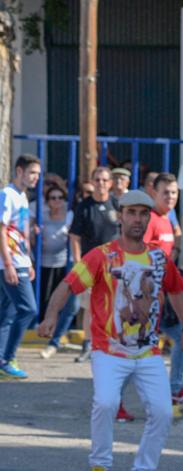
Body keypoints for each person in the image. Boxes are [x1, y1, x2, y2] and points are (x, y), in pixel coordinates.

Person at [38, 190, 183, 471]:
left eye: (142, 214)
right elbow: (68, 284)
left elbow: (176, 291)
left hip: (148, 350)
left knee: (163, 412)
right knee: (106, 403)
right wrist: (51, 316)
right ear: (120, 217)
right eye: (131, 213)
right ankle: (99, 466)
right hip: (109, 350)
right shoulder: (101, 255)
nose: (137, 219)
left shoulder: (158, 257)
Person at [144, 172, 183, 412]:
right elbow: (141, 253)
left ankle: (175, 390)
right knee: (140, 348)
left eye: (174, 192)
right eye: (165, 192)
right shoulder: (150, 218)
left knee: (181, 336)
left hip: (165, 292)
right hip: (150, 296)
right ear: (154, 193)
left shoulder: (168, 218)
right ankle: (115, 401)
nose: (170, 197)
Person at [69, 166, 119, 364]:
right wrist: (78, 263)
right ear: (92, 181)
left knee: (116, 304)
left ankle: (112, 343)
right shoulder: (84, 206)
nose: (101, 184)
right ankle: (88, 345)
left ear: (110, 183)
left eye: (104, 180)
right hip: (91, 264)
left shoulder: (117, 204)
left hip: (115, 263)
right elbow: (74, 237)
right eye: (97, 180)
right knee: (91, 306)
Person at [0, 153, 41, 379]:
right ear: (19, 171)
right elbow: (1, 229)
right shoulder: (7, 195)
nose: (36, 178)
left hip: (20, 261)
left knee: (7, 313)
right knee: (28, 309)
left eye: (38, 174)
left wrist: (29, 260)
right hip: (11, 263)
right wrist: (8, 264)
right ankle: (8, 358)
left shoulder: (23, 197)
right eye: (32, 173)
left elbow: (19, 234)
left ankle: (1, 360)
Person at [38, 183, 77, 359]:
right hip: (44, 262)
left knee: (64, 301)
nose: (57, 201)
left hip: (63, 263)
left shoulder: (69, 216)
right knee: (46, 299)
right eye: (53, 198)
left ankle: (57, 335)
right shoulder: (42, 216)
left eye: (60, 198)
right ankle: (46, 330)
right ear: (48, 201)